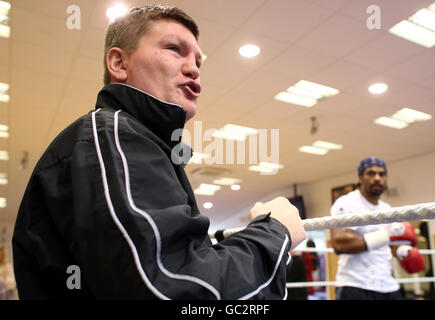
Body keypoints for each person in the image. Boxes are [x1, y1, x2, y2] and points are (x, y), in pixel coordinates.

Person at [12, 5, 305, 299]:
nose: (194, 69)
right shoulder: (115, 135)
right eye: (175, 49)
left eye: (198, 62)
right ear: (119, 63)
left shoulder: (137, 142)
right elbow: (173, 289)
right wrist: (274, 232)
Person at [330, 157, 425, 300]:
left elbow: (391, 244)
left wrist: (402, 251)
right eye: (371, 173)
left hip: (387, 285)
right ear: (360, 177)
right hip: (355, 285)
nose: (377, 178)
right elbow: (339, 243)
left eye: (381, 174)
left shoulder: (387, 209)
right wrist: (386, 235)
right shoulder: (346, 202)